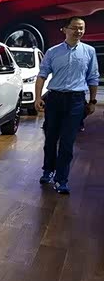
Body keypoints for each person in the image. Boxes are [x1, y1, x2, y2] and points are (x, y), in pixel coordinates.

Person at [35, 16, 99, 194]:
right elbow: (42, 75)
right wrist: (38, 97)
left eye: (81, 28)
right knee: (51, 139)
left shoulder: (89, 51)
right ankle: (48, 170)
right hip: (54, 99)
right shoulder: (52, 52)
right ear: (65, 29)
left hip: (76, 101)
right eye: (75, 27)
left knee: (67, 141)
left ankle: (61, 179)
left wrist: (92, 101)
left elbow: (93, 77)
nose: (78, 31)